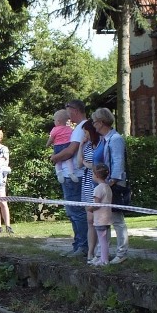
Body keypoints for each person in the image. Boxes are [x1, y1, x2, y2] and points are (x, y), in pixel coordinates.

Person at [91, 107, 129, 264]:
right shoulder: (104, 139)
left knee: (117, 219)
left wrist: (111, 182)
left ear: (101, 122)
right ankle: (101, 254)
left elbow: (118, 161)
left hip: (114, 185)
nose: (93, 125)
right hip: (106, 184)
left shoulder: (115, 139)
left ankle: (122, 252)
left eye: (94, 122)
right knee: (103, 219)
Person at [51, 100, 89, 257]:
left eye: (69, 111)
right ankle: (77, 245)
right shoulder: (78, 128)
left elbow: (71, 151)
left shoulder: (81, 128)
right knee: (72, 211)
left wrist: (54, 158)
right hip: (70, 174)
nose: (67, 115)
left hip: (74, 175)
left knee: (76, 211)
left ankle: (82, 246)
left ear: (75, 110)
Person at [76, 119, 100, 262]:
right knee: (89, 219)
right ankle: (90, 252)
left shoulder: (99, 145)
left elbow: (95, 166)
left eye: (86, 132)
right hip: (86, 184)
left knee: (95, 218)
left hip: (95, 183)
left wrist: (87, 164)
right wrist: (80, 145)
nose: (85, 135)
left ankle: (98, 250)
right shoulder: (87, 146)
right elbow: (80, 164)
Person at [87, 163, 113, 266]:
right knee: (104, 240)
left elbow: (96, 205)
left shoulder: (97, 189)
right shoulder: (107, 187)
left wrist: (89, 208)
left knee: (102, 241)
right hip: (107, 218)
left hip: (100, 219)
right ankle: (102, 258)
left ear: (96, 175)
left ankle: (104, 260)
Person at [47, 110, 77, 184]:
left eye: (54, 120)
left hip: (57, 146)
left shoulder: (54, 129)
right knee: (68, 159)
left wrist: (47, 144)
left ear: (58, 121)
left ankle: (59, 172)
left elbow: (51, 139)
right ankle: (71, 172)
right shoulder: (69, 129)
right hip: (67, 145)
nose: (54, 122)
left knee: (57, 159)